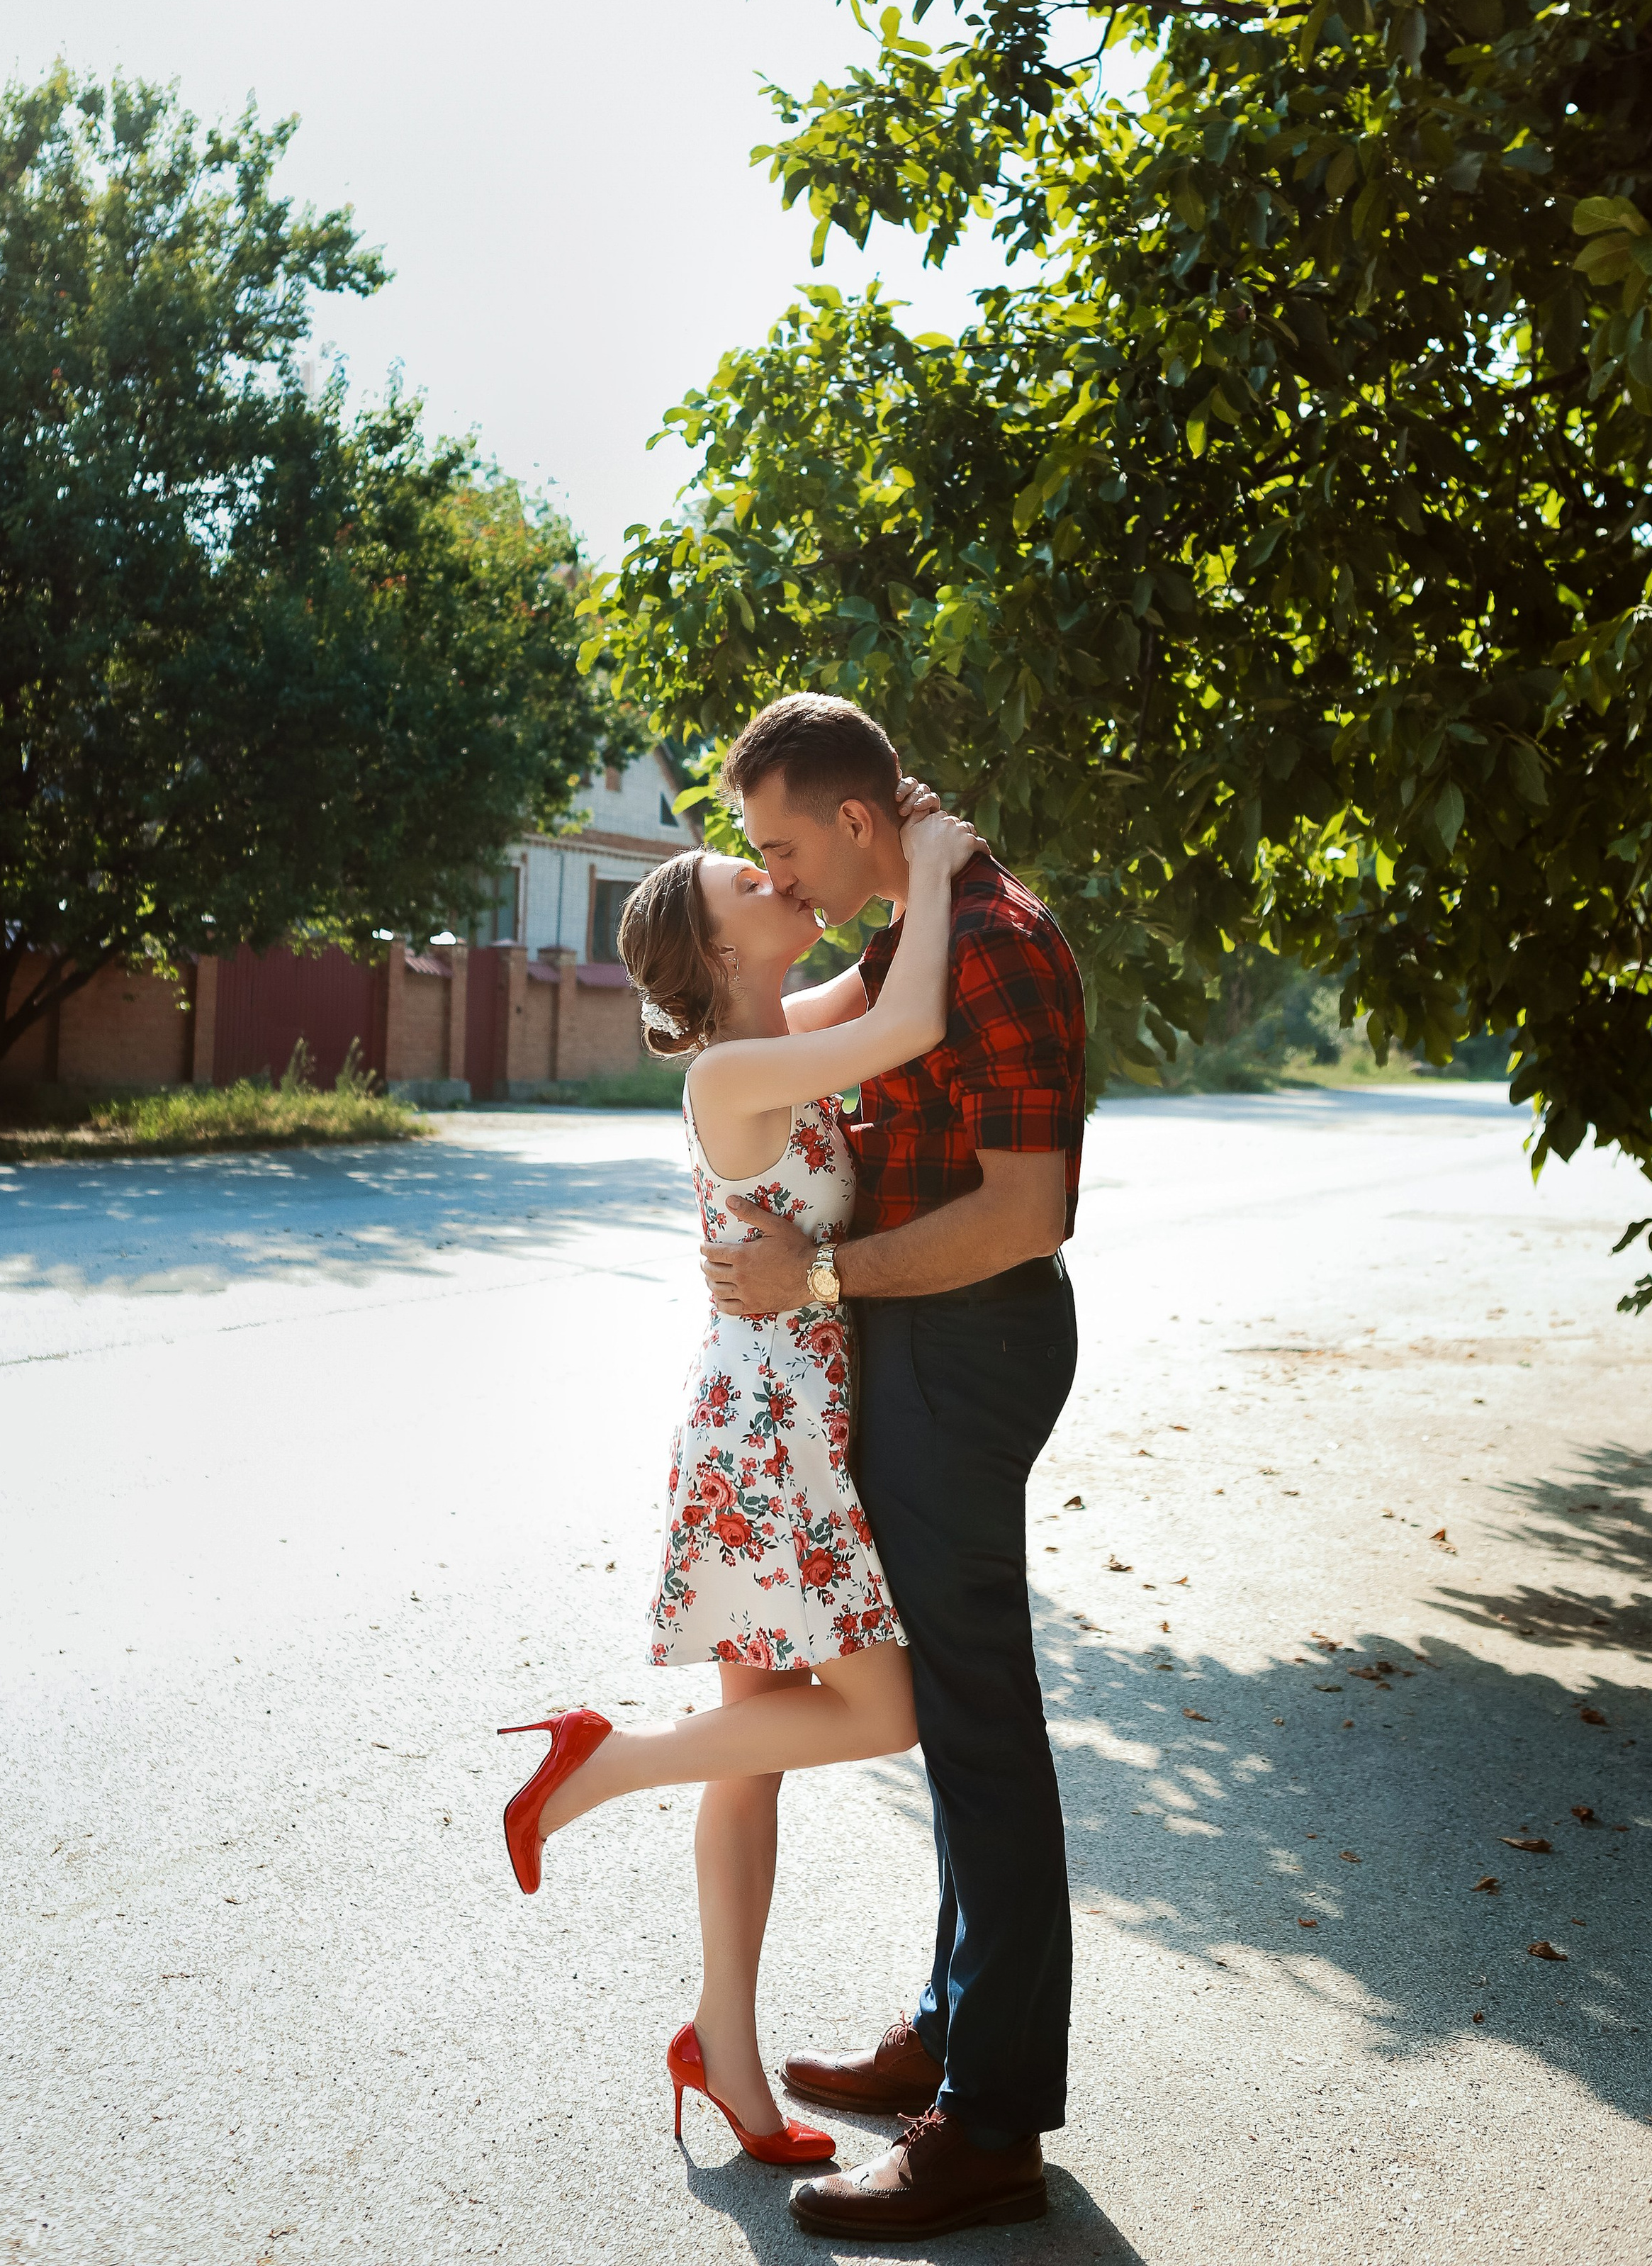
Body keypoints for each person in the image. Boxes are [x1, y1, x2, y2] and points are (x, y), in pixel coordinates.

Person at [495, 783, 980, 2176]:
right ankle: (601, 1766)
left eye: (772, 866)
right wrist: (935, 866)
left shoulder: (776, 1031)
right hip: (770, 1436)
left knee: (761, 1748)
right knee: (877, 1712)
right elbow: (911, 1022)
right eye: (749, 884)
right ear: (717, 954)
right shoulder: (730, 1072)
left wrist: (901, 848)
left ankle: (724, 2047)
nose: (779, 882)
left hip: (786, 1417)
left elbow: (880, 982)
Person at [702, 693, 1086, 2243]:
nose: (779, 879)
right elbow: (762, 1033)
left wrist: (817, 1279)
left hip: (965, 1338)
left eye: (783, 848)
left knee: (978, 1724)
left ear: (857, 822)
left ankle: (989, 2124)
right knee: (948, 1716)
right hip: (922, 1341)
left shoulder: (991, 940)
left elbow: (1024, 1214)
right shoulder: (928, 919)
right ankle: (949, 2031)